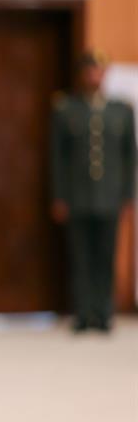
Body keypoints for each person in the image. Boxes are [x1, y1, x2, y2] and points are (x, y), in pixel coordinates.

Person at [50, 50, 136, 332]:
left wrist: (127, 194)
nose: (94, 76)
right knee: (81, 257)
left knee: (106, 255)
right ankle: (84, 313)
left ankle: (104, 313)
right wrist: (59, 196)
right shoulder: (67, 108)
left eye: (99, 71)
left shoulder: (121, 110)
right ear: (82, 74)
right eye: (89, 71)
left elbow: (129, 157)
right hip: (77, 196)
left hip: (109, 197)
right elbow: (58, 158)